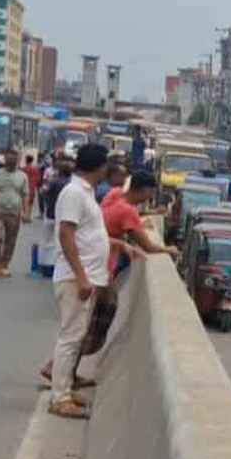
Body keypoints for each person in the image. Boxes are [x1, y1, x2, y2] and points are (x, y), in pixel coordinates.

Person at [47, 144, 140, 419]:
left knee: (75, 336)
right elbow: (66, 234)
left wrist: (116, 244)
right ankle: (59, 397)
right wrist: (81, 277)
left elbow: (88, 235)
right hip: (77, 278)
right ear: (100, 168)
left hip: (85, 276)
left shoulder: (84, 193)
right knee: (70, 337)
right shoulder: (74, 193)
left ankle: (63, 388)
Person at [101, 170, 179, 274]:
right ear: (144, 190)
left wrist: (138, 224)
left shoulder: (115, 193)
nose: (150, 197)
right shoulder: (128, 211)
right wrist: (169, 250)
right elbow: (148, 247)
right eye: (151, 192)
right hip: (102, 258)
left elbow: (115, 217)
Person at [0, 150, 29, 278]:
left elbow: (25, 195)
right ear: (5, 160)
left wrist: (25, 212)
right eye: (9, 159)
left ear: (18, 160)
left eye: (14, 160)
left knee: (11, 240)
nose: (11, 162)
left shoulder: (22, 176)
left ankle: (4, 265)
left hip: (15, 212)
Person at [21, 154, 41, 220]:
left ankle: (24, 215)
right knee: (30, 203)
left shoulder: (23, 169)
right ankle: (28, 217)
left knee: (23, 202)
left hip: (23, 188)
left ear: (26, 160)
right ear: (32, 161)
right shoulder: (35, 169)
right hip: (32, 188)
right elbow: (38, 179)